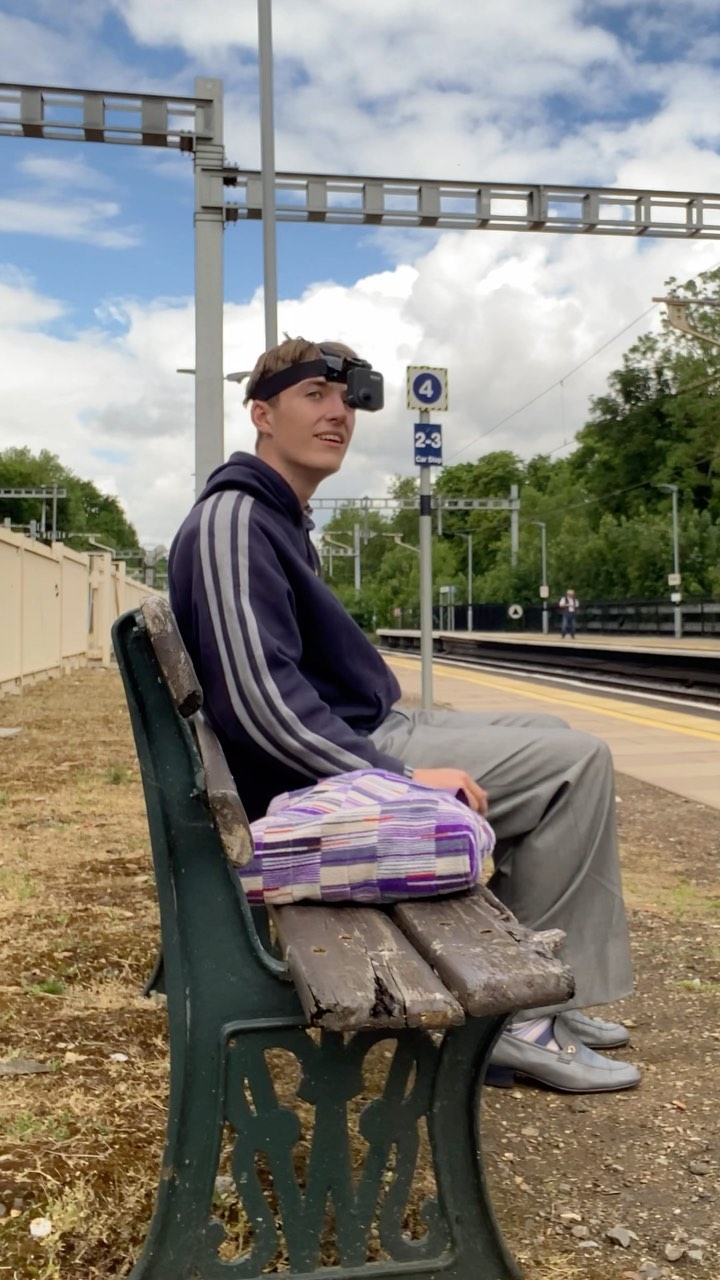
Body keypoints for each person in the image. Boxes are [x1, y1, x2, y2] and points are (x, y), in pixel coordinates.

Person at [168, 336, 639, 1095]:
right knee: (576, 765)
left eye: (346, 399)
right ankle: (522, 1023)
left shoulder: (275, 518)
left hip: (345, 746)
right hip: (310, 788)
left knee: (554, 736)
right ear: (262, 414)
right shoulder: (234, 520)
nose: (338, 413)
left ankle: (545, 995)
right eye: (314, 395)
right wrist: (401, 780)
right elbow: (258, 705)